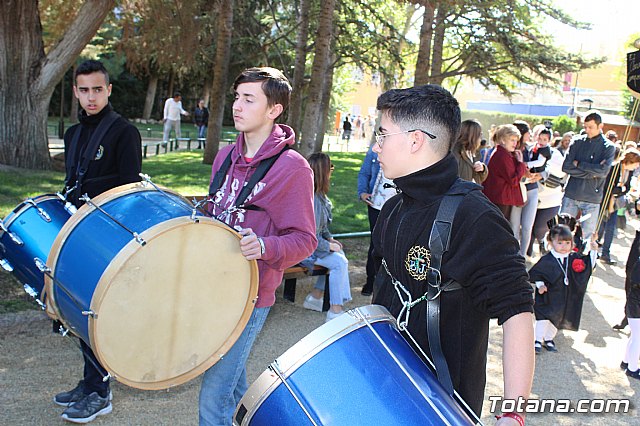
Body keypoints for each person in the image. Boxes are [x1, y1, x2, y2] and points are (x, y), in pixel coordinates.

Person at [371, 84, 534, 422]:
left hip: (441, 406)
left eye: (383, 134)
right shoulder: (393, 209)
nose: (376, 146)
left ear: (415, 140)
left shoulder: (475, 217)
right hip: (384, 389)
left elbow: (518, 311)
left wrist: (513, 414)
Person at [199, 67, 316, 426]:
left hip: (250, 294)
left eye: (249, 99)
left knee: (213, 395)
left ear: (273, 110)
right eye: (237, 97)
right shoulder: (223, 157)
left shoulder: (292, 167)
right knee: (232, 383)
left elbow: (306, 240)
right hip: (210, 286)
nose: (237, 106)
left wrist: (264, 246)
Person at [55, 60, 142, 423]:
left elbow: (131, 193)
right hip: (77, 233)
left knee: (98, 316)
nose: (91, 97)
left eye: (97, 89)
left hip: (107, 237)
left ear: (108, 91)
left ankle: (101, 392)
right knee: (77, 310)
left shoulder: (124, 132)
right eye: (84, 90)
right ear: (76, 92)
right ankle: (89, 383)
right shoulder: (73, 134)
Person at [529, 225, 597, 354]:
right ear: (551, 242)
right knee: (543, 319)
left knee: (557, 320)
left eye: (567, 242)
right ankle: (537, 340)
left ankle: (548, 339)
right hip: (547, 296)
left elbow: (588, 266)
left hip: (563, 297)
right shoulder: (547, 259)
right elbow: (537, 273)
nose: (564, 246)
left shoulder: (573, 258)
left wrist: (593, 250)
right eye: (559, 242)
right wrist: (540, 285)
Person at [301, 153, 352, 321]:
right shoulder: (313, 199)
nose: (332, 171)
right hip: (304, 250)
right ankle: (335, 311)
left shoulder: (320, 195)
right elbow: (310, 238)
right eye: (330, 168)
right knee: (339, 262)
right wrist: (328, 247)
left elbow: (321, 228)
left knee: (339, 256)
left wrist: (330, 239)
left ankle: (315, 297)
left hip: (313, 247)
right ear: (323, 172)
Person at [560, 111, 616, 241]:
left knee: (587, 238)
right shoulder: (577, 141)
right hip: (571, 194)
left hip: (592, 199)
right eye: (585, 127)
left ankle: (583, 261)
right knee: (560, 231)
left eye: (590, 127)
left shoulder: (608, 147)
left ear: (600, 126)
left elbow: (603, 172)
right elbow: (566, 167)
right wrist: (593, 172)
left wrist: (579, 164)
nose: (587, 130)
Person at [357, 142, 397, 296]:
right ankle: (371, 280)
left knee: (393, 243)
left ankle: (389, 282)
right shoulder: (375, 150)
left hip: (397, 205)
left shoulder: (402, 148)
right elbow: (364, 173)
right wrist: (362, 192)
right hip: (375, 205)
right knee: (376, 243)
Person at [597, 149, 640, 265]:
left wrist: (620, 190)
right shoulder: (614, 168)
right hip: (604, 201)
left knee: (610, 227)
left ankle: (605, 254)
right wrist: (620, 190)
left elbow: (626, 188)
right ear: (631, 161)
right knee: (600, 226)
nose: (636, 167)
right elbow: (608, 187)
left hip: (616, 204)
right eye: (636, 164)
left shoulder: (629, 172)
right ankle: (594, 249)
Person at [482, 124, 528, 219]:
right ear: (503, 140)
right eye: (512, 140)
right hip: (500, 200)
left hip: (499, 199)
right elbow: (514, 180)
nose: (515, 143)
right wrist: (521, 164)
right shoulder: (503, 156)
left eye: (516, 140)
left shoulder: (503, 153)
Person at [622, 229, 640, 380]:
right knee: (638, 338)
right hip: (636, 307)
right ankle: (632, 369)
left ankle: (626, 361)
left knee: (635, 337)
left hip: (635, 306)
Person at [451, 119, 488, 183]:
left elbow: (479, 178)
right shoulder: (455, 152)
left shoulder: (474, 152)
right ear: (473, 136)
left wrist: (483, 169)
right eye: (480, 134)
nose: (481, 138)